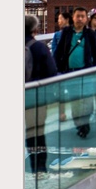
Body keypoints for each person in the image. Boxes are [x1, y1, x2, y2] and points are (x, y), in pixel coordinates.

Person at [53, 6, 96, 138]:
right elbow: (59, 51)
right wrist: (55, 67)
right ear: (73, 18)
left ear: (86, 19)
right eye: (77, 16)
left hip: (86, 71)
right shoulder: (67, 32)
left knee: (87, 101)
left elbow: (95, 54)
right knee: (74, 101)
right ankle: (79, 125)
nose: (80, 19)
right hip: (70, 72)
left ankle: (85, 125)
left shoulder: (90, 33)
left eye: (82, 16)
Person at [25, 15, 59, 174]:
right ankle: (39, 168)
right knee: (38, 131)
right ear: (35, 30)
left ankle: (32, 165)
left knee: (28, 131)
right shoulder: (40, 47)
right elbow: (52, 72)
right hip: (38, 96)